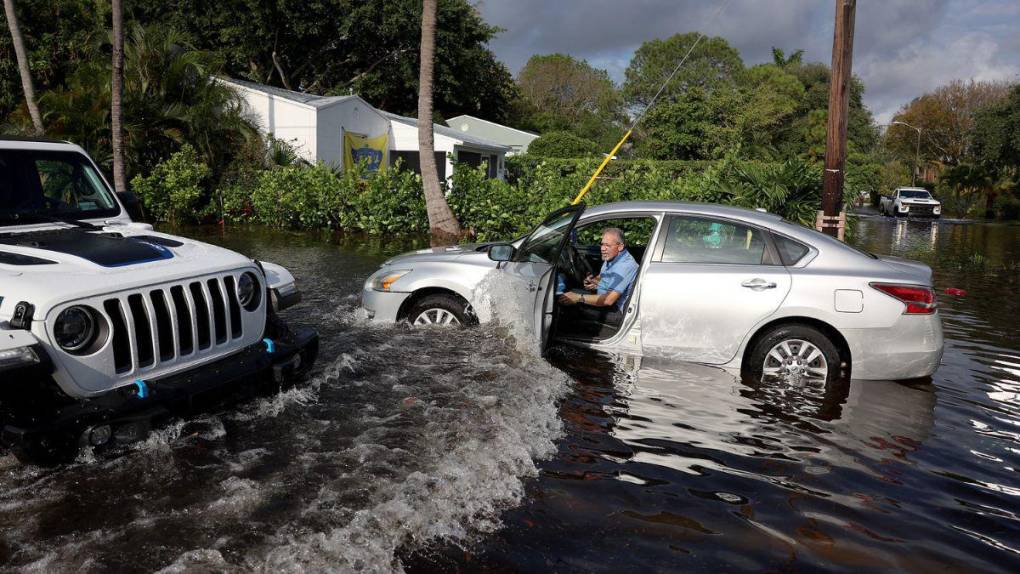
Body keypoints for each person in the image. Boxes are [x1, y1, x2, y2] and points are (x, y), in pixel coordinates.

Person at [557, 227, 639, 330]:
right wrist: (595, 283)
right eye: (602, 244)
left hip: (617, 310)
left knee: (569, 303)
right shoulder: (611, 257)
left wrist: (578, 297)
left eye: (607, 245)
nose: (603, 248)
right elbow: (604, 280)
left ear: (620, 247)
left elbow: (608, 300)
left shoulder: (625, 266)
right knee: (569, 294)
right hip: (607, 300)